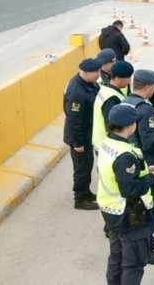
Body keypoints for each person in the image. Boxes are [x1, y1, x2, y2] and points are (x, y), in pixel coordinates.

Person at [97, 104, 154, 284]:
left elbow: (118, 174)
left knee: (117, 258)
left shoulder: (108, 143)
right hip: (129, 215)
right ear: (130, 125)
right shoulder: (125, 154)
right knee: (133, 264)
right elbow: (130, 189)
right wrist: (151, 178)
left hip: (111, 211)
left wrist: (144, 171)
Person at [123, 69, 154, 265]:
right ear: (147, 87)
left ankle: (147, 240)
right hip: (148, 163)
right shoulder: (146, 109)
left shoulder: (126, 102)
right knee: (150, 208)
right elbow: (150, 143)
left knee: (138, 205)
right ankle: (146, 250)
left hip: (131, 160)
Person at [63, 57, 101, 210]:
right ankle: (80, 198)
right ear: (85, 73)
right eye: (95, 72)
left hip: (88, 132)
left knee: (87, 164)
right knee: (82, 167)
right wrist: (77, 142)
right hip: (80, 136)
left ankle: (86, 192)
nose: (98, 74)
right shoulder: (77, 91)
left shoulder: (88, 83)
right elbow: (74, 119)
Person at [92, 61, 134, 152]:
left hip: (101, 143)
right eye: (128, 78)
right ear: (118, 78)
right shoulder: (112, 99)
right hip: (109, 147)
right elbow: (112, 127)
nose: (130, 81)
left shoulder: (105, 90)